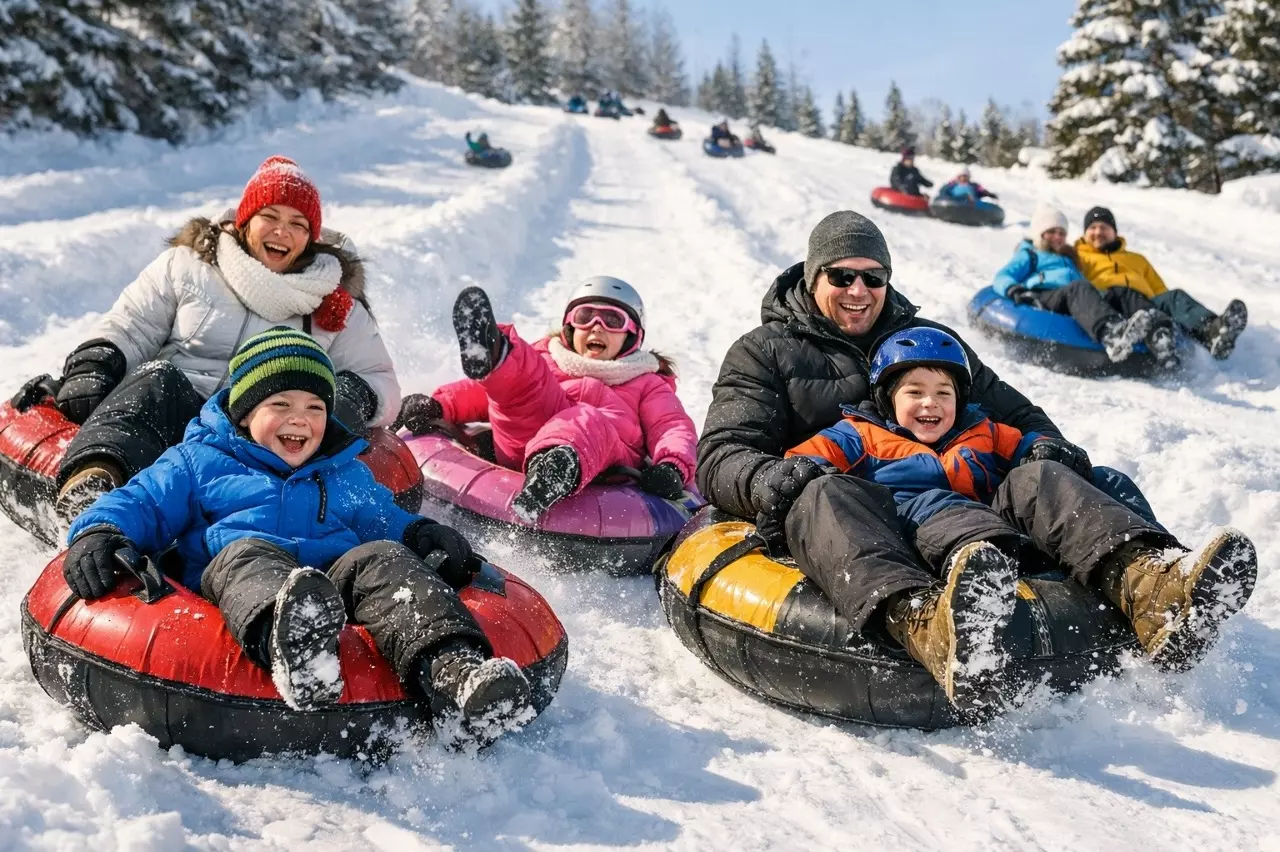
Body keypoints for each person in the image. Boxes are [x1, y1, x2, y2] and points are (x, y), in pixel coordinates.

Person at [698, 211, 1140, 684]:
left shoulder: (928, 342)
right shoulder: (763, 351)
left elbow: (1017, 416)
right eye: (842, 275)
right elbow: (721, 453)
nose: (858, 290)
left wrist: (1049, 448)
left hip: (957, 498)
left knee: (1095, 481)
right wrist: (770, 479)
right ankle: (921, 624)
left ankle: (1146, 581)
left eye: (873, 277)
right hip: (845, 520)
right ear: (813, 277)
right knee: (830, 496)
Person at [63, 328, 532, 744]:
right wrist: (100, 532)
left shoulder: (343, 470)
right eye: (280, 404)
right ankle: (297, 652)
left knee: (384, 558)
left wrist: (421, 532)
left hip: (335, 583)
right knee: (245, 553)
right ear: (245, 413)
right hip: (242, 579)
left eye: (315, 407)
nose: (300, 418)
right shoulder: (198, 461)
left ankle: (455, 671)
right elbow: (140, 500)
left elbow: (381, 517)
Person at [785, 328, 1258, 711]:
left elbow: (1028, 447)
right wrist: (803, 470)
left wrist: (1047, 450)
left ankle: (1149, 587)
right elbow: (801, 463)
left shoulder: (982, 428)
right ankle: (960, 615)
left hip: (1006, 525)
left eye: (943, 392)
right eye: (914, 392)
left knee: (1039, 479)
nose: (930, 404)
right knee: (940, 510)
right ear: (887, 398)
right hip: (920, 532)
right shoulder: (857, 434)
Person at [39, 156, 399, 524]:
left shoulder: (331, 297)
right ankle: (97, 484)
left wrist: (352, 394)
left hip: (258, 435)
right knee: (157, 377)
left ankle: (259, 524)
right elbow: (131, 326)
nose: (282, 231)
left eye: (298, 223)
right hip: (170, 412)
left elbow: (380, 378)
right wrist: (96, 362)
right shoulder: (188, 266)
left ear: (310, 238)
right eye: (270, 216)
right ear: (245, 220)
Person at [396, 277, 697, 521]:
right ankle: (494, 353)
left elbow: (671, 426)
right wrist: (441, 404)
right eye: (585, 316)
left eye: (611, 320)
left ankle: (553, 472)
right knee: (525, 377)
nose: (596, 326)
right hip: (523, 439)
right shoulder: (549, 357)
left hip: (603, 463)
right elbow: (486, 395)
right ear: (569, 325)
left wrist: (672, 465)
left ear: (633, 335)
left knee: (586, 419)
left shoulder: (646, 381)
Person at [992, 204, 1166, 364]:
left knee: (1109, 292)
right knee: (1079, 287)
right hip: (1043, 295)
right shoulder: (1031, 255)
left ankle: (1152, 331)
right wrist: (1015, 290)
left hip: (1070, 299)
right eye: (1052, 232)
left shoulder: (1069, 259)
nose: (1058, 237)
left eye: (1061, 233)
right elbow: (1003, 276)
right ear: (1040, 233)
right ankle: (1112, 334)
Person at [1075, 206, 1248, 360]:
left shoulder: (1137, 259)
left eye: (1104, 227)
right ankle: (1155, 335)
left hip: (1145, 304)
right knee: (1124, 293)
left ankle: (1213, 333)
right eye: (1092, 228)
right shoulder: (1080, 257)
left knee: (1174, 297)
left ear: (1114, 232)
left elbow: (1158, 289)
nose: (1098, 232)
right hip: (1111, 303)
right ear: (1085, 234)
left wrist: (1168, 308)